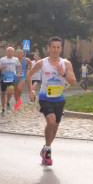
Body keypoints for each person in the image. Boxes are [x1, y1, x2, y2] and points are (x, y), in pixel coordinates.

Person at [26, 37, 77, 166]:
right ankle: (48, 152)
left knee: (54, 127)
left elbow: (74, 82)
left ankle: (45, 148)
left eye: (58, 47)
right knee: (51, 120)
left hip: (59, 99)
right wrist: (31, 91)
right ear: (48, 48)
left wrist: (63, 74)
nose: (55, 49)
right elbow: (29, 74)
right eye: (53, 47)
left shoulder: (66, 64)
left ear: (61, 49)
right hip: (45, 97)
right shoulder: (42, 63)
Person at [0, 46, 21, 116]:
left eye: (11, 51)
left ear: (13, 52)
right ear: (6, 52)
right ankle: (3, 109)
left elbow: (19, 66)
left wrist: (18, 73)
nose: (9, 52)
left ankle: (8, 102)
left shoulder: (15, 60)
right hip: (3, 78)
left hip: (12, 78)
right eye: (8, 51)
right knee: (3, 94)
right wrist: (1, 68)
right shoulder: (2, 59)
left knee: (10, 92)